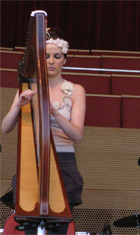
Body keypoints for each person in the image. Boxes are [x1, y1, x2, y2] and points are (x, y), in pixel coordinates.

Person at [1, 27, 85, 234]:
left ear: (64, 59)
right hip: (33, 162)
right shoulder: (26, 88)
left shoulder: (76, 90)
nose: (51, 61)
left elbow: (77, 135)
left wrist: (54, 114)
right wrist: (20, 105)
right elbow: (5, 128)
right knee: (28, 227)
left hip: (63, 162)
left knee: (58, 227)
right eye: (46, 56)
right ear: (39, 60)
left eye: (57, 56)